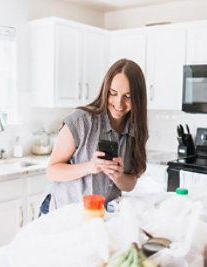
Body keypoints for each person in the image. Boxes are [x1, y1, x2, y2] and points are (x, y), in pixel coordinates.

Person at [39, 58, 148, 216]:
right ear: (106, 90)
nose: (119, 103)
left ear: (138, 99)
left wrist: (117, 175)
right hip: (64, 213)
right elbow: (52, 171)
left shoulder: (135, 131)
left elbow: (130, 184)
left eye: (128, 96)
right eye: (113, 93)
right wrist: (90, 167)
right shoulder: (81, 121)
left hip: (101, 217)